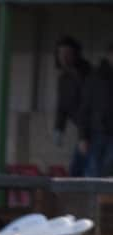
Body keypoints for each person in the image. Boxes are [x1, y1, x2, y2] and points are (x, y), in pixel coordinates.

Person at [52, 36, 92, 176]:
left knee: (89, 172)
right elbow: (62, 106)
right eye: (61, 53)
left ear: (76, 55)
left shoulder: (87, 75)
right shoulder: (64, 79)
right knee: (77, 172)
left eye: (68, 53)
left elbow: (87, 108)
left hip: (97, 132)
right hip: (84, 132)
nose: (64, 57)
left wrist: (84, 136)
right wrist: (58, 128)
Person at [78, 43, 113, 177]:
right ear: (109, 55)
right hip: (97, 133)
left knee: (107, 173)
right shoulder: (95, 77)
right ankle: (92, 198)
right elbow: (84, 109)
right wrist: (82, 137)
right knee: (93, 171)